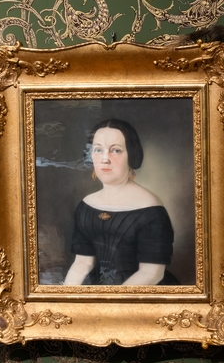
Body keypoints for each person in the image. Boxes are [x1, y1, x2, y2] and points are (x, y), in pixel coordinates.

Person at [63, 118, 179, 286]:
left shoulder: (151, 209)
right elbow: (82, 263)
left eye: (116, 150)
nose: (105, 159)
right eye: (98, 150)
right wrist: (67, 296)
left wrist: (114, 299)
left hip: (138, 292)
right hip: (97, 289)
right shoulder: (86, 206)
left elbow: (152, 273)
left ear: (131, 155)